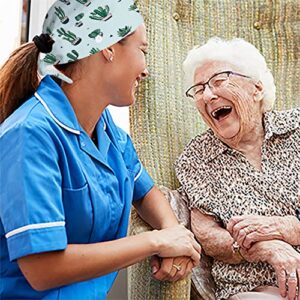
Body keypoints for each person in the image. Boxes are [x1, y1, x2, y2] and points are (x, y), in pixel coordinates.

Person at [0, 1, 201, 299]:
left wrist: (175, 234)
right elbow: (42, 269)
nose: (145, 70)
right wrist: (157, 242)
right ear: (107, 47)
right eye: (142, 51)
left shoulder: (105, 128)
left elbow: (144, 191)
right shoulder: (29, 134)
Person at [174, 37, 300, 300]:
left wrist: (285, 227)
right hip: (253, 289)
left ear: (256, 88)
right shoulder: (197, 158)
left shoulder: (297, 129)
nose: (208, 95)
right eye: (199, 89)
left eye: (219, 81)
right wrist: (266, 248)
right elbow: (207, 235)